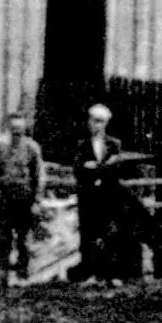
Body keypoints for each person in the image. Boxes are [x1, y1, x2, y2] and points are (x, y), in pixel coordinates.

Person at [0, 110, 46, 288]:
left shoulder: (32, 148)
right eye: (14, 129)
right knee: (2, 239)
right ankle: (1, 276)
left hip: (24, 199)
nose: (17, 132)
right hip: (4, 199)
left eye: (20, 129)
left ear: (25, 129)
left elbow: (39, 176)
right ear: (8, 128)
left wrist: (36, 200)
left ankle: (22, 276)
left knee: (23, 240)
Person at [70, 103, 125, 283]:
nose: (96, 125)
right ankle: (88, 274)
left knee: (109, 234)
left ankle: (110, 275)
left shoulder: (114, 144)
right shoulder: (82, 145)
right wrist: (96, 168)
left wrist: (97, 167)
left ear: (106, 123)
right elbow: (78, 169)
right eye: (93, 121)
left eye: (100, 122)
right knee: (87, 234)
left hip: (108, 196)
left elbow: (117, 168)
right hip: (88, 196)